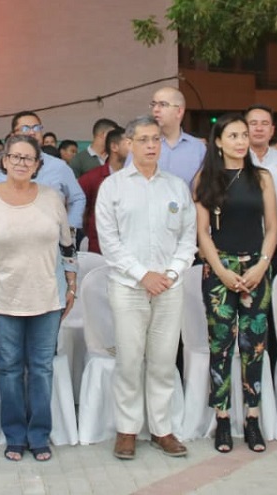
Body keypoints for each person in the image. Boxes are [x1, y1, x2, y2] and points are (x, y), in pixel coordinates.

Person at [0, 134, 77, 462]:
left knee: (41, 368)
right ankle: (14, 435)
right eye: (16, 157)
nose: (22, 163)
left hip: (48, 298)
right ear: (4, 161)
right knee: (9, 368)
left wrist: (71, 286)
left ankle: (39, 435)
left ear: (38, 165)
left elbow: (67, 246)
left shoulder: (52, 198)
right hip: (1, 300)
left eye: (29, 158)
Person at [96, 116, 197, 461]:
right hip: (128, 286)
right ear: (128, 143)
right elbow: (109, 242)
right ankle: (126, 430)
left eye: (156, 139)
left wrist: (169, 272)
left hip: (169, 286)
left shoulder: (176, 186)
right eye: (143, 140)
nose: (151, 146)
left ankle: (161, 429)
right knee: (128, 360)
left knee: (164, 360)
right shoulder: (114, 186)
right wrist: (144, 275)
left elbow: (188, 237)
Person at [193, 114, 277, 453]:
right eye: (233, 136)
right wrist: (221, 270)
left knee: (254, 344)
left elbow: (271, 227)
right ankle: (223, 419)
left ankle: (253, 419)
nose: (241, 141)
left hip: (257, 265)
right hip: (219, 269)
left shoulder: (263, 178)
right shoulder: (205, 179)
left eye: (244, 135)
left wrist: (261, 265)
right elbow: (202, 232)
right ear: (218, 142)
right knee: (221, 346)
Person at [0, 111, 85, 237]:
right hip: (4, 243)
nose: (32, 132)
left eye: (37, 128)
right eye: (25, 128)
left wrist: (69, 230)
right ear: (13, 136)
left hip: (49, 243)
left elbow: (77, 198)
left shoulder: (58, 167)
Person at [243, 105, 277, 371]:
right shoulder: (236, 159)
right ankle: (253, 375)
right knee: (252, 316)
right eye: (253, 123)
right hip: (248, 249)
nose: (259, 128)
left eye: (264, 123)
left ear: (272, 129)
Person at [76, 127, 128, 253]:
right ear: (114, 147)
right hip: (100, 249)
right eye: (128, 143)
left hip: (129, 248)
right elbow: (76, 204)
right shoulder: (93, 178)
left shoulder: (136, 178)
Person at [148, 86, 205, 187]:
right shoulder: (141, 145)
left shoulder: (198, 148)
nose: (155, 109)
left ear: (179, 111)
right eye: (153, 104)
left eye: (162, 104)